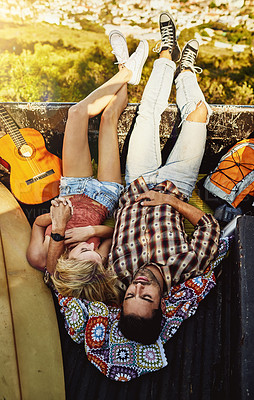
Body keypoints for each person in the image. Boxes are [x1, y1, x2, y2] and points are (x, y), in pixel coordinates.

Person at [106, 12, 221, 344]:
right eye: (146, 298)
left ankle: (167, 52)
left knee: (148, 112)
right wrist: (169, 201)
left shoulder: (117, 274)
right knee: (198, 113)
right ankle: (186, 71)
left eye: (131, 295)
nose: (139, 287)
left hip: (137, 180)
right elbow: (210, 227)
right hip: (176, 185)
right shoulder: (188, 266)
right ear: (162, 304)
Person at [26, 37, 149, 306]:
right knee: (108, 120)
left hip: (72, 187)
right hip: (104, 196)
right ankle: (127, 70)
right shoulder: (98, 263)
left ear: (69, 263)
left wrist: (59, 217)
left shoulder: (39, 257)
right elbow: (114, 231)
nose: (92, 247)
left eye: (85, 251)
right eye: (95, 252)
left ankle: (126, 70)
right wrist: (89, 230)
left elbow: (37, 223)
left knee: (77, 113)